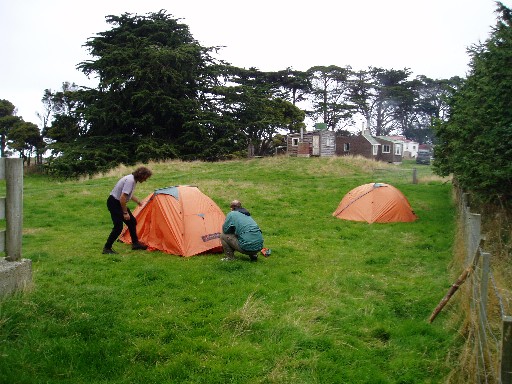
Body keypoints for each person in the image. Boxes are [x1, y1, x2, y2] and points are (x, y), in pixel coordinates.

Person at [103, 166, 153, 254]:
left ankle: (135, 244)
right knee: (118, 227)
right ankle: (107, 248)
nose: (145, 180)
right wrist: (125, 213)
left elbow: (128, 194)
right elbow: (122, 198)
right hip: (114, 203)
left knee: (132, 222)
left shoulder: (132, 179)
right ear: (141, 175)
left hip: (117, 202)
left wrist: (137, 201)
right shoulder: (130, 181)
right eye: (145, 178)